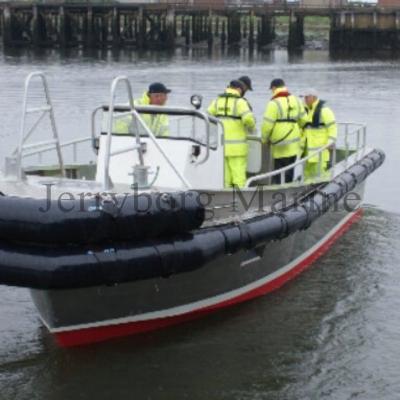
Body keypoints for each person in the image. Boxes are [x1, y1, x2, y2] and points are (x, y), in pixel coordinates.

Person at [208, 80, 256, 188]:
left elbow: (208, 115)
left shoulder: (217, 101)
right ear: (238, 89)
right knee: (238, 176)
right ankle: (240, 200)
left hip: (222, 147)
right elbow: (248, 119)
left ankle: (226, 198)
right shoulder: (240, 102)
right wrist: (252, 127)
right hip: (237, 148)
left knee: (226, 178)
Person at [261, 78, 307, 184]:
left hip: (280, 144)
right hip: (294, 143)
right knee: (290, 170)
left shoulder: (273, 103)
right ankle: (288, 189)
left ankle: (276, 193)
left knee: (279, 171)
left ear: (274, 88)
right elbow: (304, 120)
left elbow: (267, 125)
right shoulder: (296, 100)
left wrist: (264, 140)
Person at [301, 88, 337, 180]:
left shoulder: (325, 111)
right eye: (304, 97)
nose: (304, 99)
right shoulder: (307, 110)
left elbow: (332, 128)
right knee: (307, 177)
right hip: (308, 154)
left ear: (313, 97)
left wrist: (330, 142)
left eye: (306, 97)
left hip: (320, 153)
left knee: (320, 177)